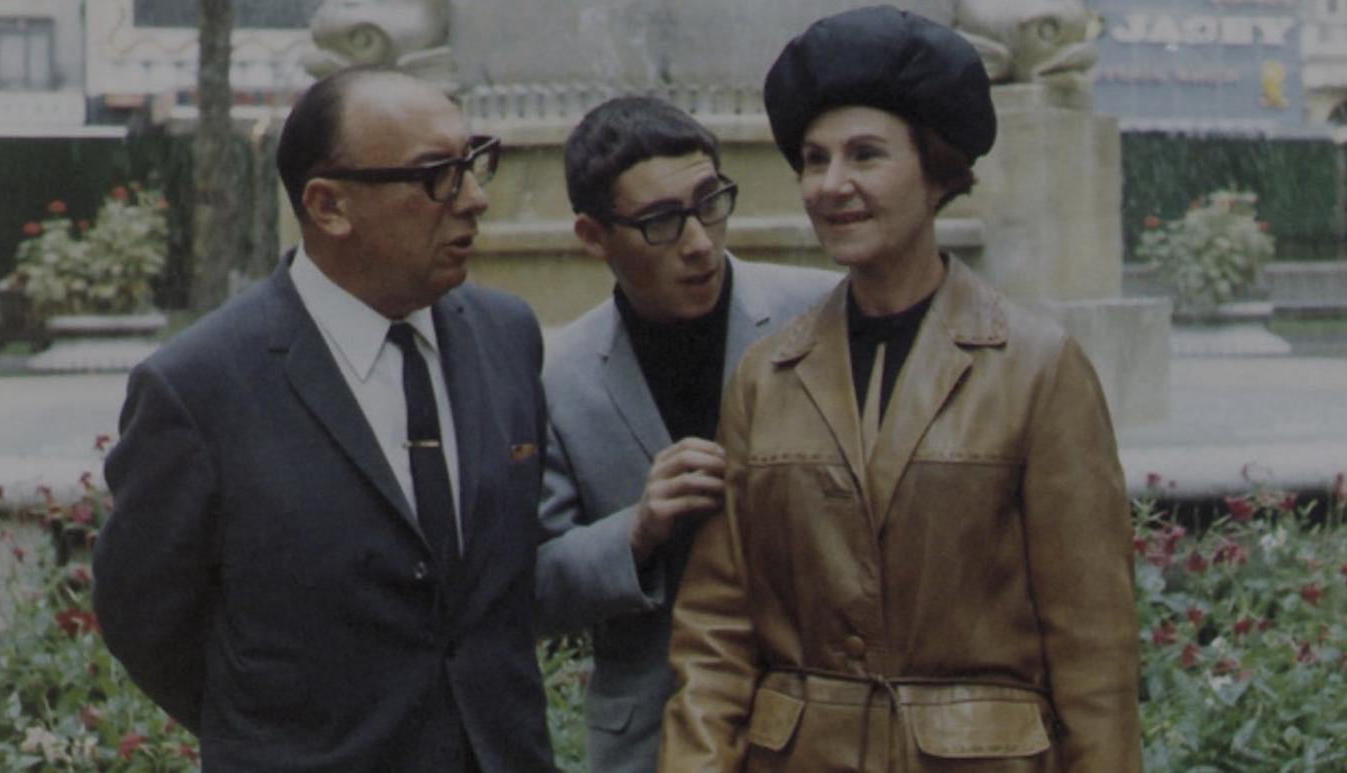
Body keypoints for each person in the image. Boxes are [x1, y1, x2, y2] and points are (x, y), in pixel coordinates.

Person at [660, 6, 1141, 772]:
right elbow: (717, 632)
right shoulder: (765, 377)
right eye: (815, 160)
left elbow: (1094, 654)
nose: (831, 184)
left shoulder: (1039, 368)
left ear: (937, 170)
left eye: (865, 155)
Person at [93, 66, 555, 772]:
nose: (476, 199)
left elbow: (503, 583)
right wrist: (281, 737)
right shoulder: (199, 386)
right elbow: (145, 619)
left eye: (474, 162)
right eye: (438, 175)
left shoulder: (507, 335)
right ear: (330, 205)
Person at [534, 96, 839, 772]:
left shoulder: (823, 313)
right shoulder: (557, 375)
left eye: (710, 203)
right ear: (592, 237)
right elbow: (531, 584)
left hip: (824, 726)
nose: (699, 241)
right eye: (661, 222)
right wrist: (636, 531)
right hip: (654, 738)